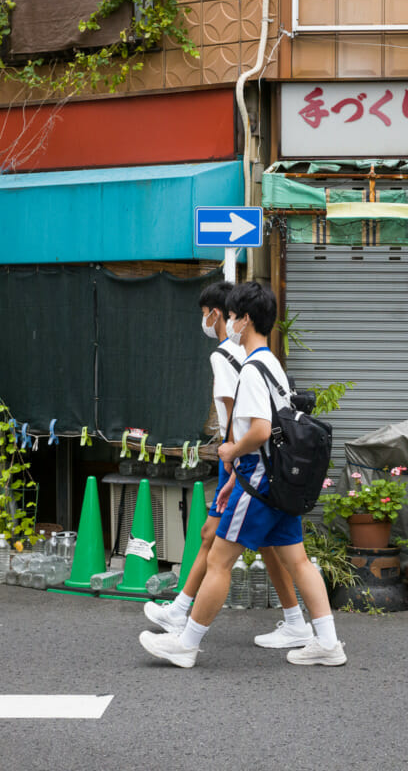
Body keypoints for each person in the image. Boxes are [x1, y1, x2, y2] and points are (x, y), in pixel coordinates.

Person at [140, 281, 346, 668]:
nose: (229, 322)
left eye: (233, 315)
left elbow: (261, 430)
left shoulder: (251, 369)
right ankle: (328, 643)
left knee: (218, 561)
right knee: (299, 562)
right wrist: (236, 473)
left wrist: (232, 452)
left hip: (260, 482)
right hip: (277, 480)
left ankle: (186, 644)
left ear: (245, 319)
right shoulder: (273, 365)